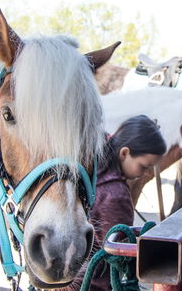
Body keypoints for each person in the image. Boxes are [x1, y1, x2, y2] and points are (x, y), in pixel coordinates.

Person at [63, 115, 167, 291]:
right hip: (93, 284)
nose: (146, 173)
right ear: (125, 153)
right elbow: (120, 256)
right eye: (144, 166)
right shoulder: (117, 196)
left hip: (64, 276)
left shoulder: (90, 163)